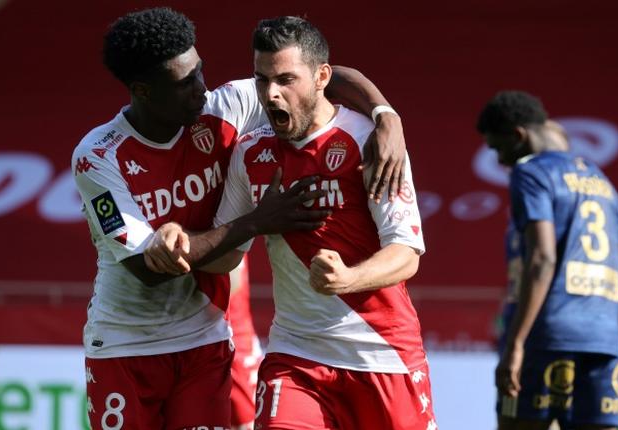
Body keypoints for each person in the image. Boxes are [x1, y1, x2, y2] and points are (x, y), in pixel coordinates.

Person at [73, 7, 408, 430]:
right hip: (125, 343)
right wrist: (256, 220)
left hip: (204, 339)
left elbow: (319, 76)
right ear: (143, 90)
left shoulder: (225, 107)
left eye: (200, 72)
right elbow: (150, 269)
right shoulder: (98, 157)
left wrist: (385, 115)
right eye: (184, 83)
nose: (200, 90)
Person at [151, 16, 435, 429]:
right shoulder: (250, 151)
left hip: (382, 352)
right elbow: (226, 260)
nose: (271, 93)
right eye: (262, 79)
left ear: (322, 77)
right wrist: (178, 240)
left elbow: (406, 255)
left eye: (286, 79)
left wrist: (346, 279)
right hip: (296, 355)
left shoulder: (369, 143)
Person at [477, 91, 618, 430]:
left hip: (545, 337)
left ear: (518, 136)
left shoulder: (530, 173)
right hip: (603, 345)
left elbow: (542, 257)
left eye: (498, 148)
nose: (501, 161)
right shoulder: (602, 182)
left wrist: (517, 343)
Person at [228, 255, 263, 430]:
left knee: (246, 424)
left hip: (234, 344)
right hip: (226, 339)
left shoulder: (224, 229)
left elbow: (232, 283)